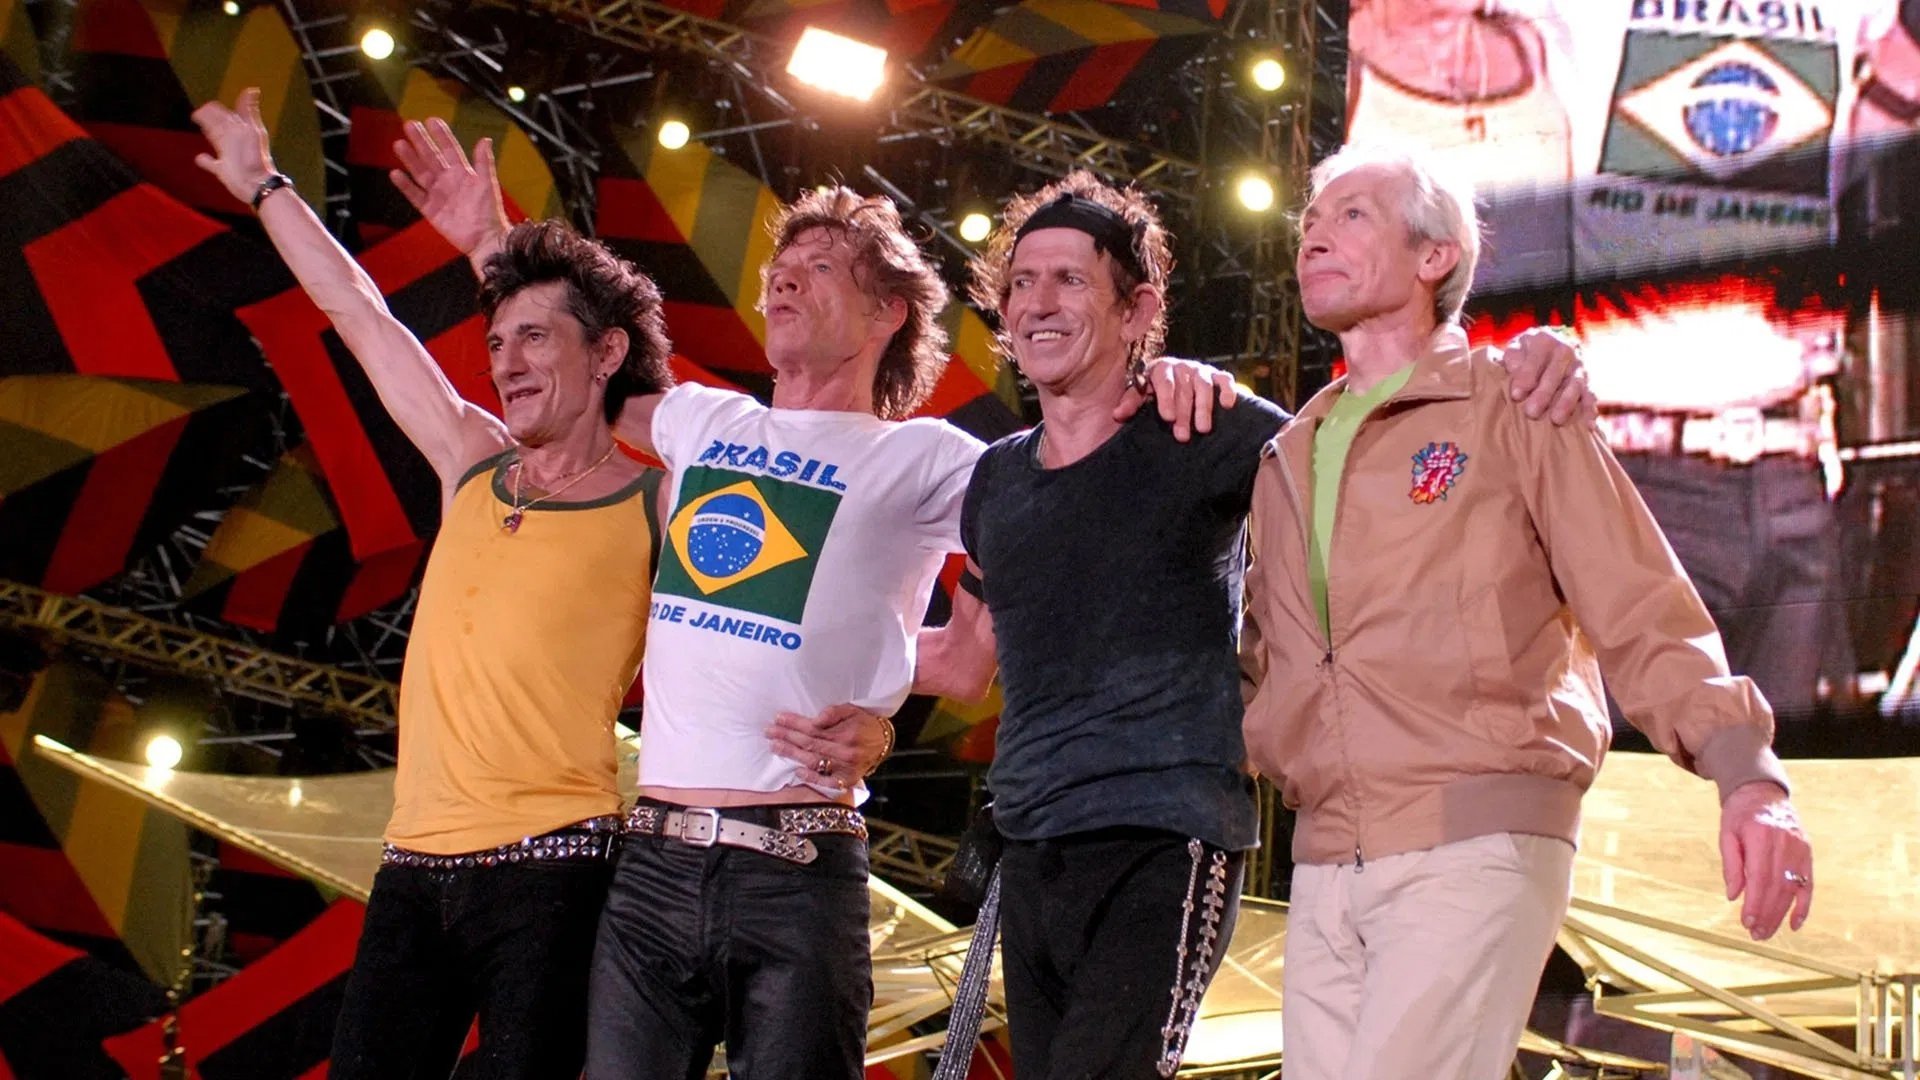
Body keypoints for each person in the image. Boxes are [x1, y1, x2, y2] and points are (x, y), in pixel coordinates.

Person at [392, 129, 1243, 1079]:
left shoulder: (934, 460)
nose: (784, 281)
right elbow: (576, 361)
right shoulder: (701, 418)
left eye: (820, 265)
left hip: (796, 869)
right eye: (779, 269)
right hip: (651, 866)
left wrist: (1167, 375)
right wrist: (488, 243)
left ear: (888, 312)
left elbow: (973, 655)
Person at [912, 170, 1596, 1080]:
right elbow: (966, 661)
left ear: (1137, 308)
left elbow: (1369, 440)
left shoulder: (1213, 430)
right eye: (1023, 281)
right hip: (1030, 845)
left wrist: (1531, 356)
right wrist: (799, 662)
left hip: (1165, 835)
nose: (1039, 302)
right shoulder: (995, 478)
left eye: (1071, 279)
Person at [1238, 143, 1818, 1080]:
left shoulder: (1513, 400)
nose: (1314, 237)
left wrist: (1745, 772)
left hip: (1478, 834)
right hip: (1324, 858)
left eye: (1351, 216)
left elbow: (1635, 594)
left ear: (1437, 256)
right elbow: (1272, 661)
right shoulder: (1286, 456)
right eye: (1310, 221)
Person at [193, 91, 680, 1078]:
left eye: (535, 338)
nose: (504, 361)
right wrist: (264, 184)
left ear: (609, 353)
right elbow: (357, 314)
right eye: (496, 342)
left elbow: (752, 599)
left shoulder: (659, 499)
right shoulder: (469, 454)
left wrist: (498, 243)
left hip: (556, 867)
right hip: (413, 868)